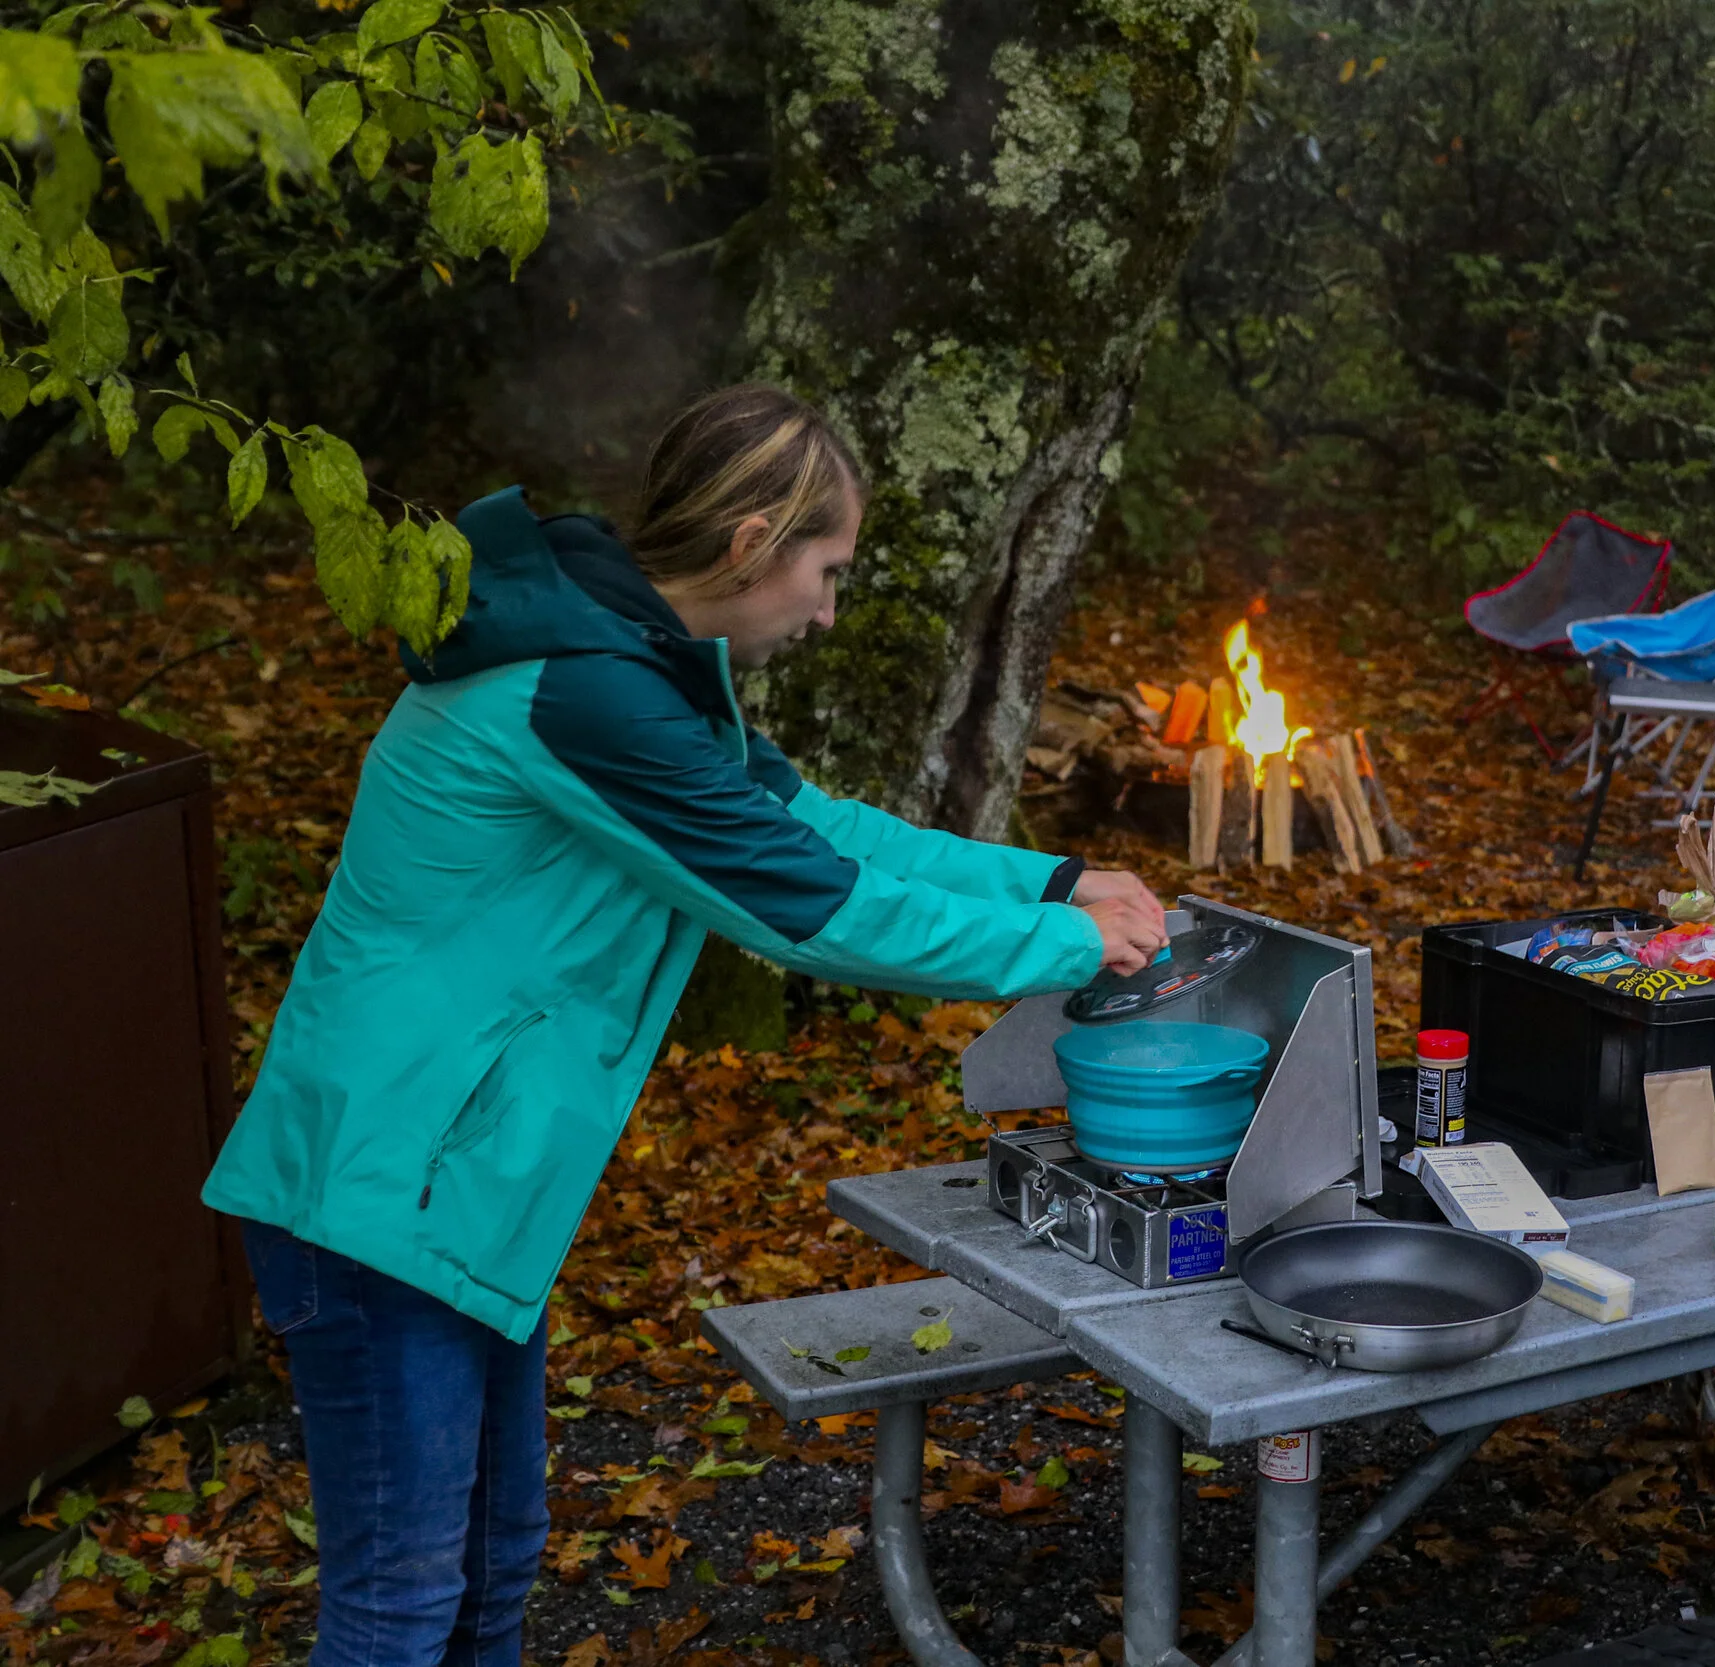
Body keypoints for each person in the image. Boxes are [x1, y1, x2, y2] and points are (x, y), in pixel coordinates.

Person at [200, 384, 1168, 1667]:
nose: (828, 610)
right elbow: (809, 907)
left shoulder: (627, 666)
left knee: (490, 1570)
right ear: (751, 542)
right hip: (381, 1182)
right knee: (400, 1605)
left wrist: (1052, 881)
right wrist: (1064, 949)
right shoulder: (581, 693)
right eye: (828, 571)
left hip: (462, 1181)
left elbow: (820, 829)